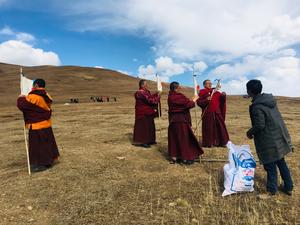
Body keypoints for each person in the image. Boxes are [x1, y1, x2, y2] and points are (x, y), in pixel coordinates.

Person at [246, 79, 294, 196]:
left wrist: (250, 132)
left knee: (270, 165)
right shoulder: (269, 100)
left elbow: (260, 125)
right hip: (278, 137)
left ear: (250, 91)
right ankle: (288, 187)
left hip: (268, 140)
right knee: (281, 162)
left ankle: (271, 190)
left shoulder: (257, 106)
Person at [17, 79, 60, 172]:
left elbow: (23, 106)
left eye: (33, 85)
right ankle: (49, 161)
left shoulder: (33, 96)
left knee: (38, 146)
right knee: (47, 144)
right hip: (46, 124)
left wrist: (20, 98)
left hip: (36, 125)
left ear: (36, 85)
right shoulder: (47, 95)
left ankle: (40, 164)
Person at [168, 82, 204, 164]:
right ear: (176, 88)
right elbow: (187, 105)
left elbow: (185, 103)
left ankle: (176, 156)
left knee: (176, 139)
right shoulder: (176, 97)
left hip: (174, 121)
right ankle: (185, 158)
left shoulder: (170, 96)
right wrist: (194, 100)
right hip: (180, 120)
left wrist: (191, 100)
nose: (181, 88)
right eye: (179, 87)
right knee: (183, 139)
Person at [197, 79, 229, 147]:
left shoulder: (216, 92)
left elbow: (222, 102)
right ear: (204, 85)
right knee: (209, 128)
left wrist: (223, 96)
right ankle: (209, 143)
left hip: (217, 112)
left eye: (210, 83)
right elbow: (199, 103)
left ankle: (222, 142)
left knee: (220, 128)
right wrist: (206, 100)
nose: (210, 84)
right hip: (208, 113)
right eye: (208, 83)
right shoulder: (202, 92)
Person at [133, 79, 160, 148]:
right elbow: (150, 100)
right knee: (144, 127)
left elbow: (150, 97)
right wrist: (158, 96)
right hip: (142, 112)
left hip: (148, 112)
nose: (147, 85)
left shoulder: (145, 92)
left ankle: (150, 140)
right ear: (142, 85)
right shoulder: (140, 92)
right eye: (145, 84)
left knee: (150, 126)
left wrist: (156, 94)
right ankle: (143, 141)